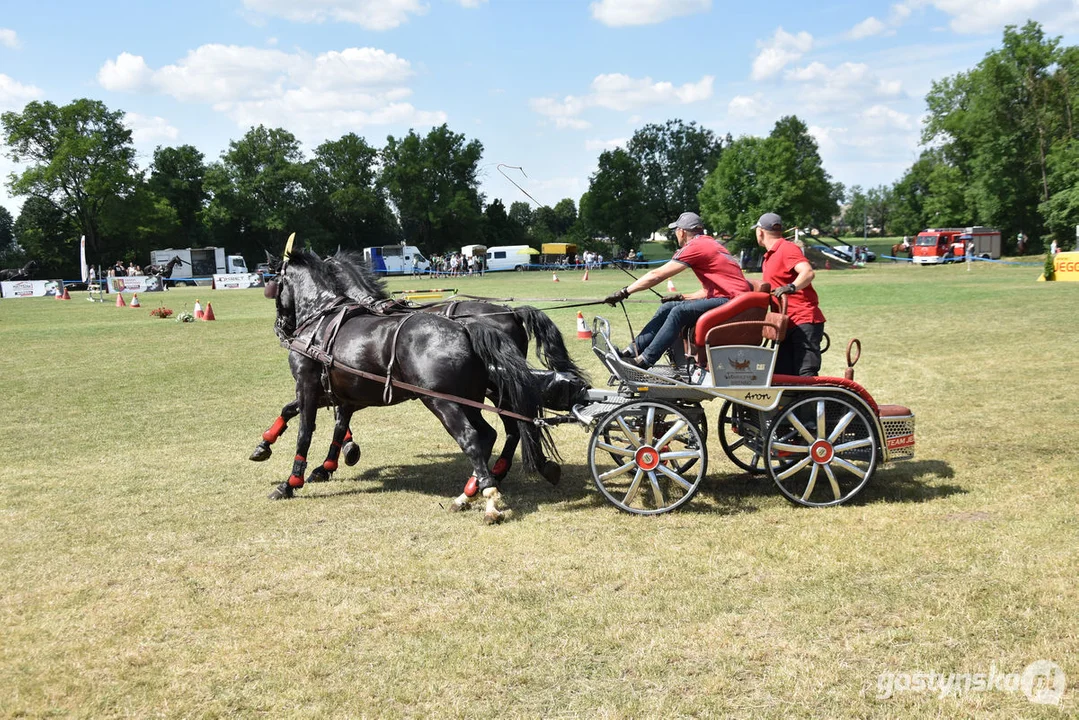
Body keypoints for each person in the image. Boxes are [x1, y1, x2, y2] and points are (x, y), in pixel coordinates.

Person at [604, 211, 751, 368]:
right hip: (734, 300)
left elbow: (656, 275)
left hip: (734, 302)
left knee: (678, 312)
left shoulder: (696, 246)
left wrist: (624, 292)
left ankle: (644, 361)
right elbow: (711, 291)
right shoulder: (710, 243)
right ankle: (631, 352)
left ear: (682, 231)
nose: (676, 234)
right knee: (669, 307)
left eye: (676, 231)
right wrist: (682, 297)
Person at [754, 212, 826, 376]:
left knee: (805, 374)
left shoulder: (786, 248)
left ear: (760, 231)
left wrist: (791, 287)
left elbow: (807, 272)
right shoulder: (769, 256)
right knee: (781, 375)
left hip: (802, 320)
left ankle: (813, 402)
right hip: (786, 323)